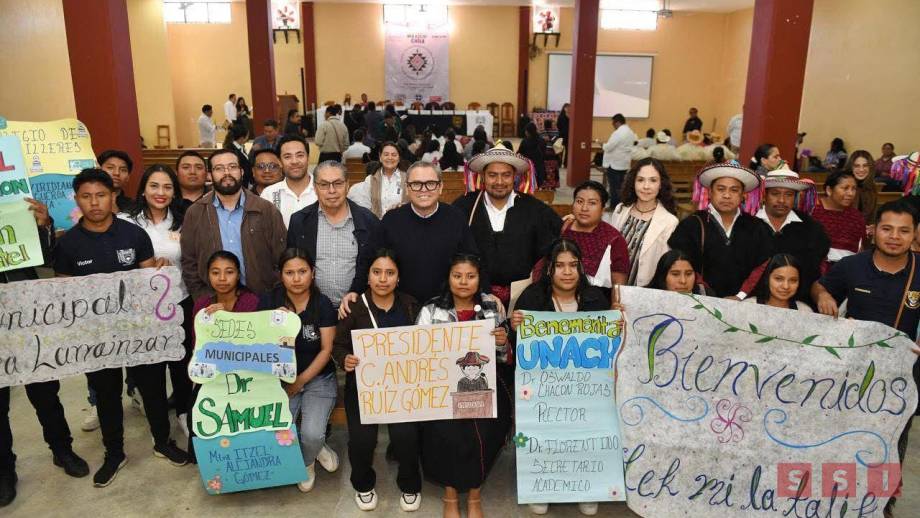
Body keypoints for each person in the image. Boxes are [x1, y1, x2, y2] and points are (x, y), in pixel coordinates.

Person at [54, 169, 188, 487]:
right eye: (86, 196)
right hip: (97, 337)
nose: (94, 202)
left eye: (101, 195)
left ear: (113, 197)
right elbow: (63, 293)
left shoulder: (132, 235)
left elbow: (146, 279)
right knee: (107, 394)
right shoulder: (68, 244)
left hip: (140, 332)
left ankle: (162, 442)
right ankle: (114, 453)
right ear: (77, 200)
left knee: (153, 388)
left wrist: (158, 270)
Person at [811, 200, 920, 518]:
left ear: (914, 234)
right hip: (854, 375)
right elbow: (819, 285)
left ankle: (881, 506)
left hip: (903, 378)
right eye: (887, 229)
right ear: (873, 231)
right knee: (847, 440)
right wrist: (824, 296)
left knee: (892, 444)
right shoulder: (852, 266)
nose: (895, 237)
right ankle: (840, 503)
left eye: (904, 231)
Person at [1, 198, 89, 506]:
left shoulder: (13, 210)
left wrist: (43, 226)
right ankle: (4, 470)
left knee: (45, 393)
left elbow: (49, 259)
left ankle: (62, 449)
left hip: (27, 319)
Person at [512, 239, 608, 516]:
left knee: (583, 434)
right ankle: (541, 486)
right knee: (544, 434)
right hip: (542, 391)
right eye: (560, 266)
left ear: (581, 269)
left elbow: (609, 346)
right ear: (550, 269)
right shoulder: (532, 297)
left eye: (573, 266)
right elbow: (518, 346)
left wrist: (618, 327)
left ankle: (586, 487)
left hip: (585, 390)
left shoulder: (595, 300)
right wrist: (515, 326)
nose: (567, 272)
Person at [416, 255, 511, 518]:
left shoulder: (494, 306)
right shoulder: (431, 310)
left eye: (470, 276)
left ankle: (474, 494)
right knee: (448, 431)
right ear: (448, 278)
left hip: (484, 385)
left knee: (483, 429)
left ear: (479, 278)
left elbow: (503, 357)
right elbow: (418, 356)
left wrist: (502, 341)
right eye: (457, 275)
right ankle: (449, 494)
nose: (463, 282)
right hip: (442, 387)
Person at [333, 249, 423, 512]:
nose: (383, 279)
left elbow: (426, 344)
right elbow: (338, 345)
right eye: (377, 272)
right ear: (368, 276)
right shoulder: (354, 307)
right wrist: (345, 359)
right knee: (362, 440)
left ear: (398, 278)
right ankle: (362, 484)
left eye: (390, 273)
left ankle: (409, 484)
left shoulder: (410, 305)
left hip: (401, 386)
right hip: (363, 388)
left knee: (406, 436)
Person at [341, 161, 481, 316]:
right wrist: (355, 290)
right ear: (407, 188)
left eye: (431, 184)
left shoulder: (456, 218)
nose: (423, 190)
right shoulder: (391, 220)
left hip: (445, 309)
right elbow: (369, 258)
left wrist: (486, 293)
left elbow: (474, 260)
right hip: (401, 309)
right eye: (416, 184)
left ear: (440, 187)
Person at [257, 249, 339, 493]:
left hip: (318, 377)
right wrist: (272, 324)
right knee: (278, 431)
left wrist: (300, 381)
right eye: (289, 272)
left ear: (312, 273)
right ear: (281, 275)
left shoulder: (322, 304)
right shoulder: (270, 301)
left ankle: (307, 461)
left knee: (311, 434)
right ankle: (317, 447)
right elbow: (258, 344)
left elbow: (326, 351)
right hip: (279, 379)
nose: (296, 278)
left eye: (302, 272)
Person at [118, 165, 193, 430]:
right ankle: (158, 422)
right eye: (154, 186)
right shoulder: (126, 221)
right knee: (151, 368)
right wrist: (144, 265)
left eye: (167, 187)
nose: (160, 193)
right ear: (143, 189)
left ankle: (184, 412)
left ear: (175, 191)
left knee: (181, 362)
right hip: (142, 307)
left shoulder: (185, 219)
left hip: (179, 299)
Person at [455, 147, 562, 307]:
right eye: (492, 175)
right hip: (473, 297)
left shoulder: (535, 209)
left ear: (515, 177)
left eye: (506, 175)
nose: (499, 182)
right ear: (483, 176)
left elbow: (556, 242)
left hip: (524, 299)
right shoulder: (463, 207)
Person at [181, 149, 286, 300]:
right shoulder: (195, 213)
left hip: (262, 302)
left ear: (242, 171)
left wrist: (273, 296)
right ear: (210, 175)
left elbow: (281, 258)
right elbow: (189, 263)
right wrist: (203, 298)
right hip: (214, 305)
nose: (227, 173)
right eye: (219, 168)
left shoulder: (266, 210)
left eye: (232, 167)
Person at [668, 163, 772, 297]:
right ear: (710, 192)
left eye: (734, 190)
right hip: (700, 302)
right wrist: (709, 296)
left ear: (743, 195)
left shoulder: (757, 227)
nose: (727, 195)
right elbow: (683, 265)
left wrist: (740, 296)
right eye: (721, 189)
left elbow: (762, 267)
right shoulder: (691, 225)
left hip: (745, 304)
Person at [288, 161, 381, 307]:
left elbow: (375, 267)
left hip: (357, 309)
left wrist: (357, 292)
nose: (332, 191)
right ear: (315, 188)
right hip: (312, 308)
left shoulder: (368, 221)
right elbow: (291, 266)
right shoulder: (300, 221)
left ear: (347, 185)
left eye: (338, 183)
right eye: (324, 185)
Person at [737, 168, 829, 303]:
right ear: (765, 194)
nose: (781, 200)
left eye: (789, 194)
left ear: (795, 197)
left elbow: (815, 272)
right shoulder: (745, 224)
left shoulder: (812, 229)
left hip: (796, 305)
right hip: (748, 302)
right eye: (775, 193)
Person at [604, 157, 679, 286]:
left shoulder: (669, 222)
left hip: (645, 290)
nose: (646, 186)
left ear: (661, 184)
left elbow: (666, 267)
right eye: (640, 180)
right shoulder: (620, 210)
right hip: (613, 287)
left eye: (653, 180)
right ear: (633, 182)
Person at [546, 181, 628, 298]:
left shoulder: (614, 239)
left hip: (595, 304)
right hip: (556, 299)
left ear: (603, 209)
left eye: (592, 203)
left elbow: (618, 284)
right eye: (579, 201)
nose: (584, 208)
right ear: (573, 204)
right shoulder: (562, 228)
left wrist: (615, 306)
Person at [811, 170, 866, 268]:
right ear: (829, 190)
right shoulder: (812, 211)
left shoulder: (857, 217)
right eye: (845, 188)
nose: (850, 193)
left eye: (854, 189)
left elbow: (860, 250)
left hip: (847, 271)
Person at [260, 135, 318, 228]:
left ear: (308, 158)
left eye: (300, 155)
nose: (294, 161)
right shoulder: (269, 194)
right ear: (279, 162)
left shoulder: (325, 189)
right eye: (287, 157)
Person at [347, 141, 407, 218]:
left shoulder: (407, 179)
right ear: (380, 157)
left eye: (394, 155)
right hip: (377, 225)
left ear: (399, 158)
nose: (390, 158)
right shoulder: (370, 180)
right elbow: (365, 208)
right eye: (386, 154)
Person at [745, 253, 811, 311]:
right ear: (767, 278)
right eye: (779, 279)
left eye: (793, 280)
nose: (786, 286)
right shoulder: (749, 306)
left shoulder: (804, 311)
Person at [602, 114, 636, 208]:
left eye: (613, 123)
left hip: (615, 164)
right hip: (624, 163)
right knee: (621, 186)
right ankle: (621, 205)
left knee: (614, 187)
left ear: (617, 122)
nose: (613, 125)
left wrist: (603, 145)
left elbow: (609, 147)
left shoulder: (619, 132)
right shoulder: (630, 132)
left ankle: (614, 206)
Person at [644, 249, 709, 295]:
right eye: (675, 274)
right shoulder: (644, 297)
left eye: (688, 274)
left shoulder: (705, 295)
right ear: (662, 276)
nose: (683, 281)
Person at [845, 150, 880, 225]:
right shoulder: (842, 186)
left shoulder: (872, 187)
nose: (861, 170)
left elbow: (872, 216)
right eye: (857, 166)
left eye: (865, 165)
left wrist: (872, 226)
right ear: (851, 167)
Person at [97, 149, 136, 213]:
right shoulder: (87, 200)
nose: (116, 173)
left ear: (128, 177)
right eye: (110, 167)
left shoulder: (134, 207)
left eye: (123, 170)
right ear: (98, 170)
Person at [223, 123, 253, 188]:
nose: (248, 138)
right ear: (242, 138)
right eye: (247, 136)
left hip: (245, 182)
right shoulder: (232, 150)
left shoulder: (241, 147)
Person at [517, 122, 546, 187]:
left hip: (528, 169)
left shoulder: (525, 141)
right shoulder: (541, 140)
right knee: (538, 185)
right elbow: (544, 153)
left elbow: (520, 152)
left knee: (528, 186)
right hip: (539, 167)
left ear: (528, 132)